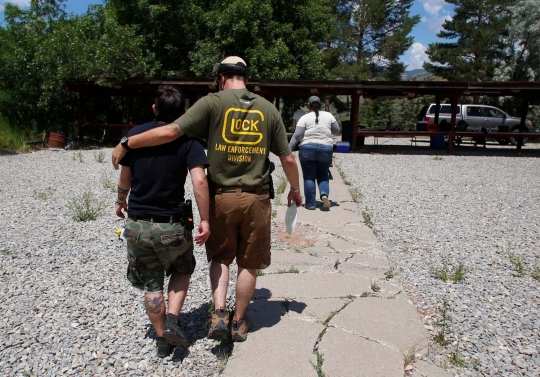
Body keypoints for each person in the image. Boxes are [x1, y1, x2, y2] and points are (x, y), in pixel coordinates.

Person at [112, 56, 302, 343]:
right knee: (248, 263)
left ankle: (220, 313)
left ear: (222, 78)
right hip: (257, 198)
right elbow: (287, 157)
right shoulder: (267, 108)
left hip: (221, 198)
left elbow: (171, 130)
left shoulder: (211, 102)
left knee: (222, 257)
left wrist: (126, 143)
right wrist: (296, 190)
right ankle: (239, 322)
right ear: (246, 79)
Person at [115, 85, 210, 358]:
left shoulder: (134, 137)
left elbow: (125, 177)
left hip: (137, 224)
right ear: (182, 112)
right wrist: (205, 220)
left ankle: (161, 340)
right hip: (172, 224)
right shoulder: (189, 140)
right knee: (183, 268)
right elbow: (199, 181)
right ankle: (172, 320)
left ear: (154, 108)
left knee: (151, 282)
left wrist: (121, 201)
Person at [289, 95, 340, 210]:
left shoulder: (304, 118)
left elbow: (297, 136)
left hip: (307, 149)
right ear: (320, 105)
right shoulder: (329, 115)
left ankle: (310, 204)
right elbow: (337, 131)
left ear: (308, 106)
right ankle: (324, 195)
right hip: (326, 149)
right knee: (323, 174)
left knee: (309, 177)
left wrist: (288, 149)